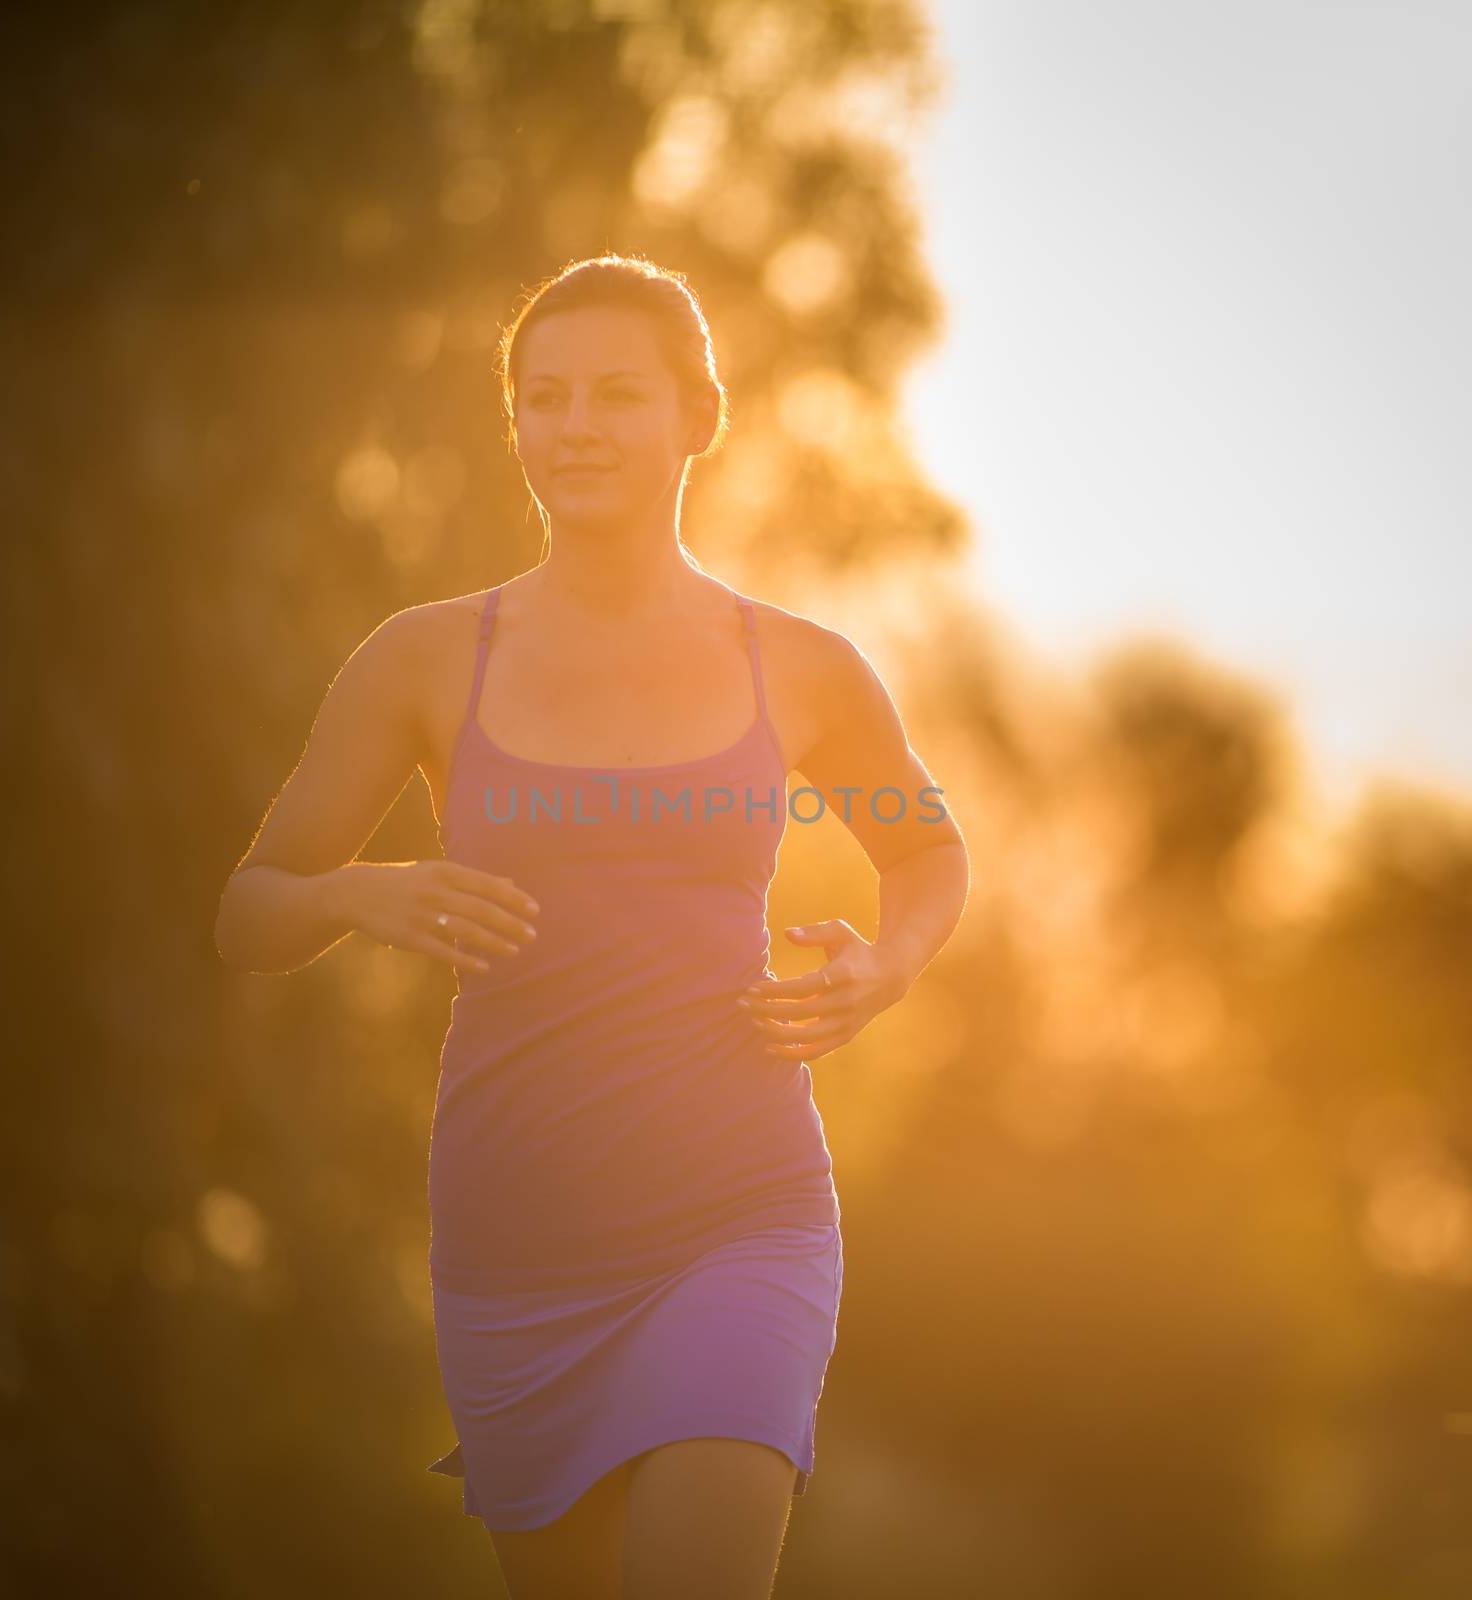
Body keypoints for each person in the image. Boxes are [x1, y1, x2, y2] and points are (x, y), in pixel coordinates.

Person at [214, 253, 970, 1600]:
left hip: (742, 1215)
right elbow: (248, 912)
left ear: (698, 417)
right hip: (520, 1240)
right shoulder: (430, 659)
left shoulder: (797, 669)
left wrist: (886, 966)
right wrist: (357, 893)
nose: (575, 428)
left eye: (617, 395)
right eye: (544, 398)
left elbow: (921, 851)